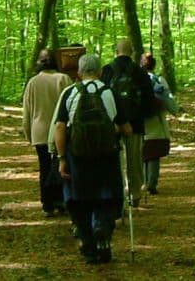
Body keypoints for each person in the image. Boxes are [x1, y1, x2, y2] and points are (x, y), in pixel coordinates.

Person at [54, 53, 128, 264]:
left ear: (78, 72)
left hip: (77, 157)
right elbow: (126, 127)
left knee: (79, 202)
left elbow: (59, 127)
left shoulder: (70, 93)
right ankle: (102, 228)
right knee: (107, 197)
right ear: (100, 71)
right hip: (106, 156)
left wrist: (61, 158)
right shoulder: (109, 92)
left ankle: (89, 249)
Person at [100, 39, 155, 208]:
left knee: (114, 160)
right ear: (132, 52)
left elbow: (100, 97)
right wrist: (144, 116)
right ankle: (135, 194)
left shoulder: (106, 71)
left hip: (113, 124)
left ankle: (116, 195)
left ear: (116, 51)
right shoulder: (140, 72)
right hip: (135, 124)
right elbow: (149, 99)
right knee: (134, 160)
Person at [22, 49, 69, 217]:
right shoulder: (63, 79)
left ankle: (47, 204)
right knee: (61, 166)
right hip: (59, 131)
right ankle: (61, 201)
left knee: (45, 167)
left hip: (39, 132)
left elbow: (26, 113)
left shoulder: (33, 83)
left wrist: (28, 134)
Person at [140, 52, 179, 196]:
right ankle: (151, 183)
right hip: (156, 119)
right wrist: (175, 110)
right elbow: (168, 99)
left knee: (143, 152)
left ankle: (144, 182)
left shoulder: (137, 80)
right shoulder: (159, 79)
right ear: (154, 65)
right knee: (154, 153)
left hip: (140, 121)